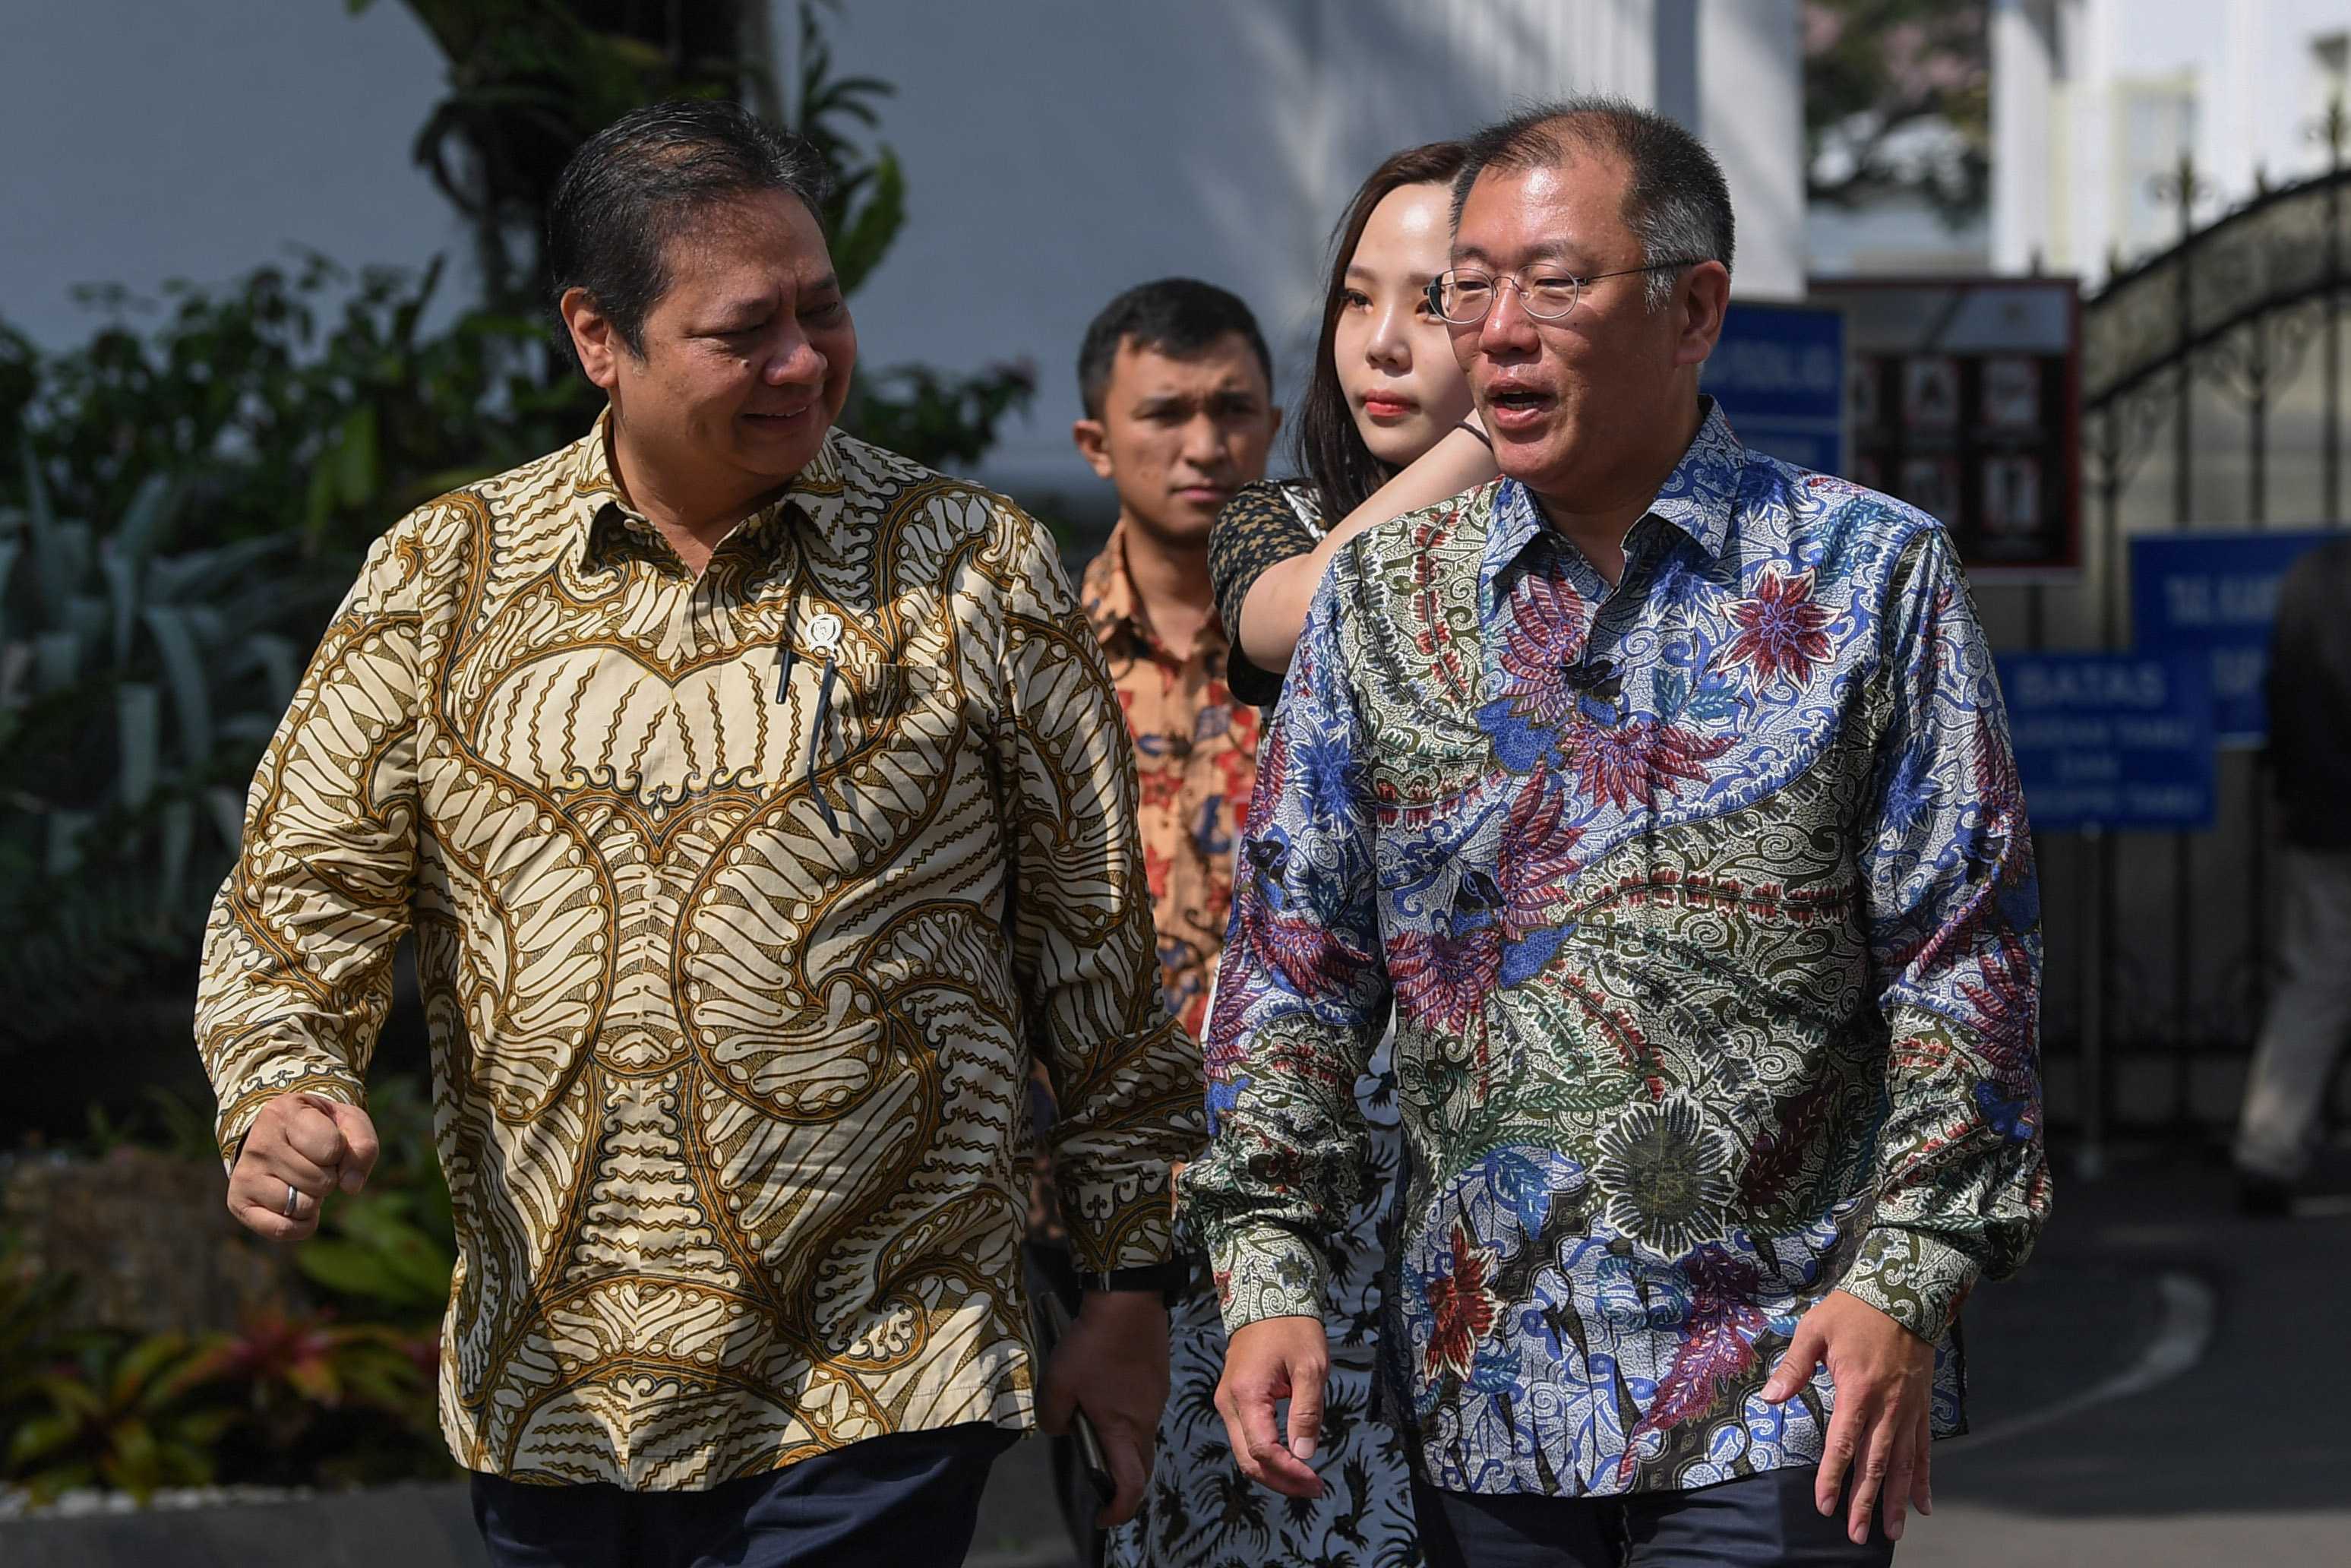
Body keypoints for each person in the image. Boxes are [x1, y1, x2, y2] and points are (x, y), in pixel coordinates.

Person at [194, 100, 1201, 1568]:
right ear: (599, 337)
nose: (803, 361)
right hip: (557, 1385)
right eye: (746, 332)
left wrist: (1127, 1283)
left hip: (882, 1370)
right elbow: (303, 892)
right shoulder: (443, 574)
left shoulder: (972, 566)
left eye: (823, 309)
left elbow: (1094, 946)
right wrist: (284, 1079)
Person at [1184, 99, 2050, 1568]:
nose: (1496, 330)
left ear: (1693, 306)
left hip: (1784, 1388)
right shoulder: (1383, 599)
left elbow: (1965, 965)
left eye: (1555, 283)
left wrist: (1908, 1279)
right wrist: (1269, 1267)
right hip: (1491, 1387)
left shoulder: (1868, 575)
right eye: (1474, 284)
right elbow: (1293, 964)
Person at [1104, 143, 1503, 1568]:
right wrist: (1507, 419)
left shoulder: (1578, 546)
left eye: (1441, 300)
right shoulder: (1281, 523)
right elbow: (1295, 619)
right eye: (1356, 299)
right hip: (1323, 1125)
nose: (1385, 343)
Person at [2235, 535, 2351, 1214]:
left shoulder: (2312, 575)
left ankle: (2268, 1147)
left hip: (2324, 810)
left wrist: (2285, 790)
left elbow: (2281, 687)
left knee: (2314, 981)